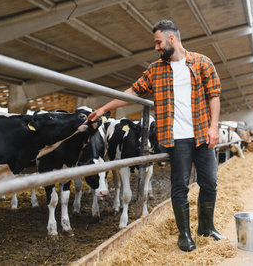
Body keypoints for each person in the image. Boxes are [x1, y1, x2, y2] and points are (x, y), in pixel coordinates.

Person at [88, 19, 224, 252]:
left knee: (209, 182)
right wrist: (104, 108)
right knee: (179, 185)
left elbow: (214, 96)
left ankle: (206, 227)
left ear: (172, 39)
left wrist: (213, 127)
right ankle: (185, 235)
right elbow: (133, 91)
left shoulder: (202, 63)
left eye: (158, 42)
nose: (156, 47)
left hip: (202, 134)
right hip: (175, 138)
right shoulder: (155, 70)